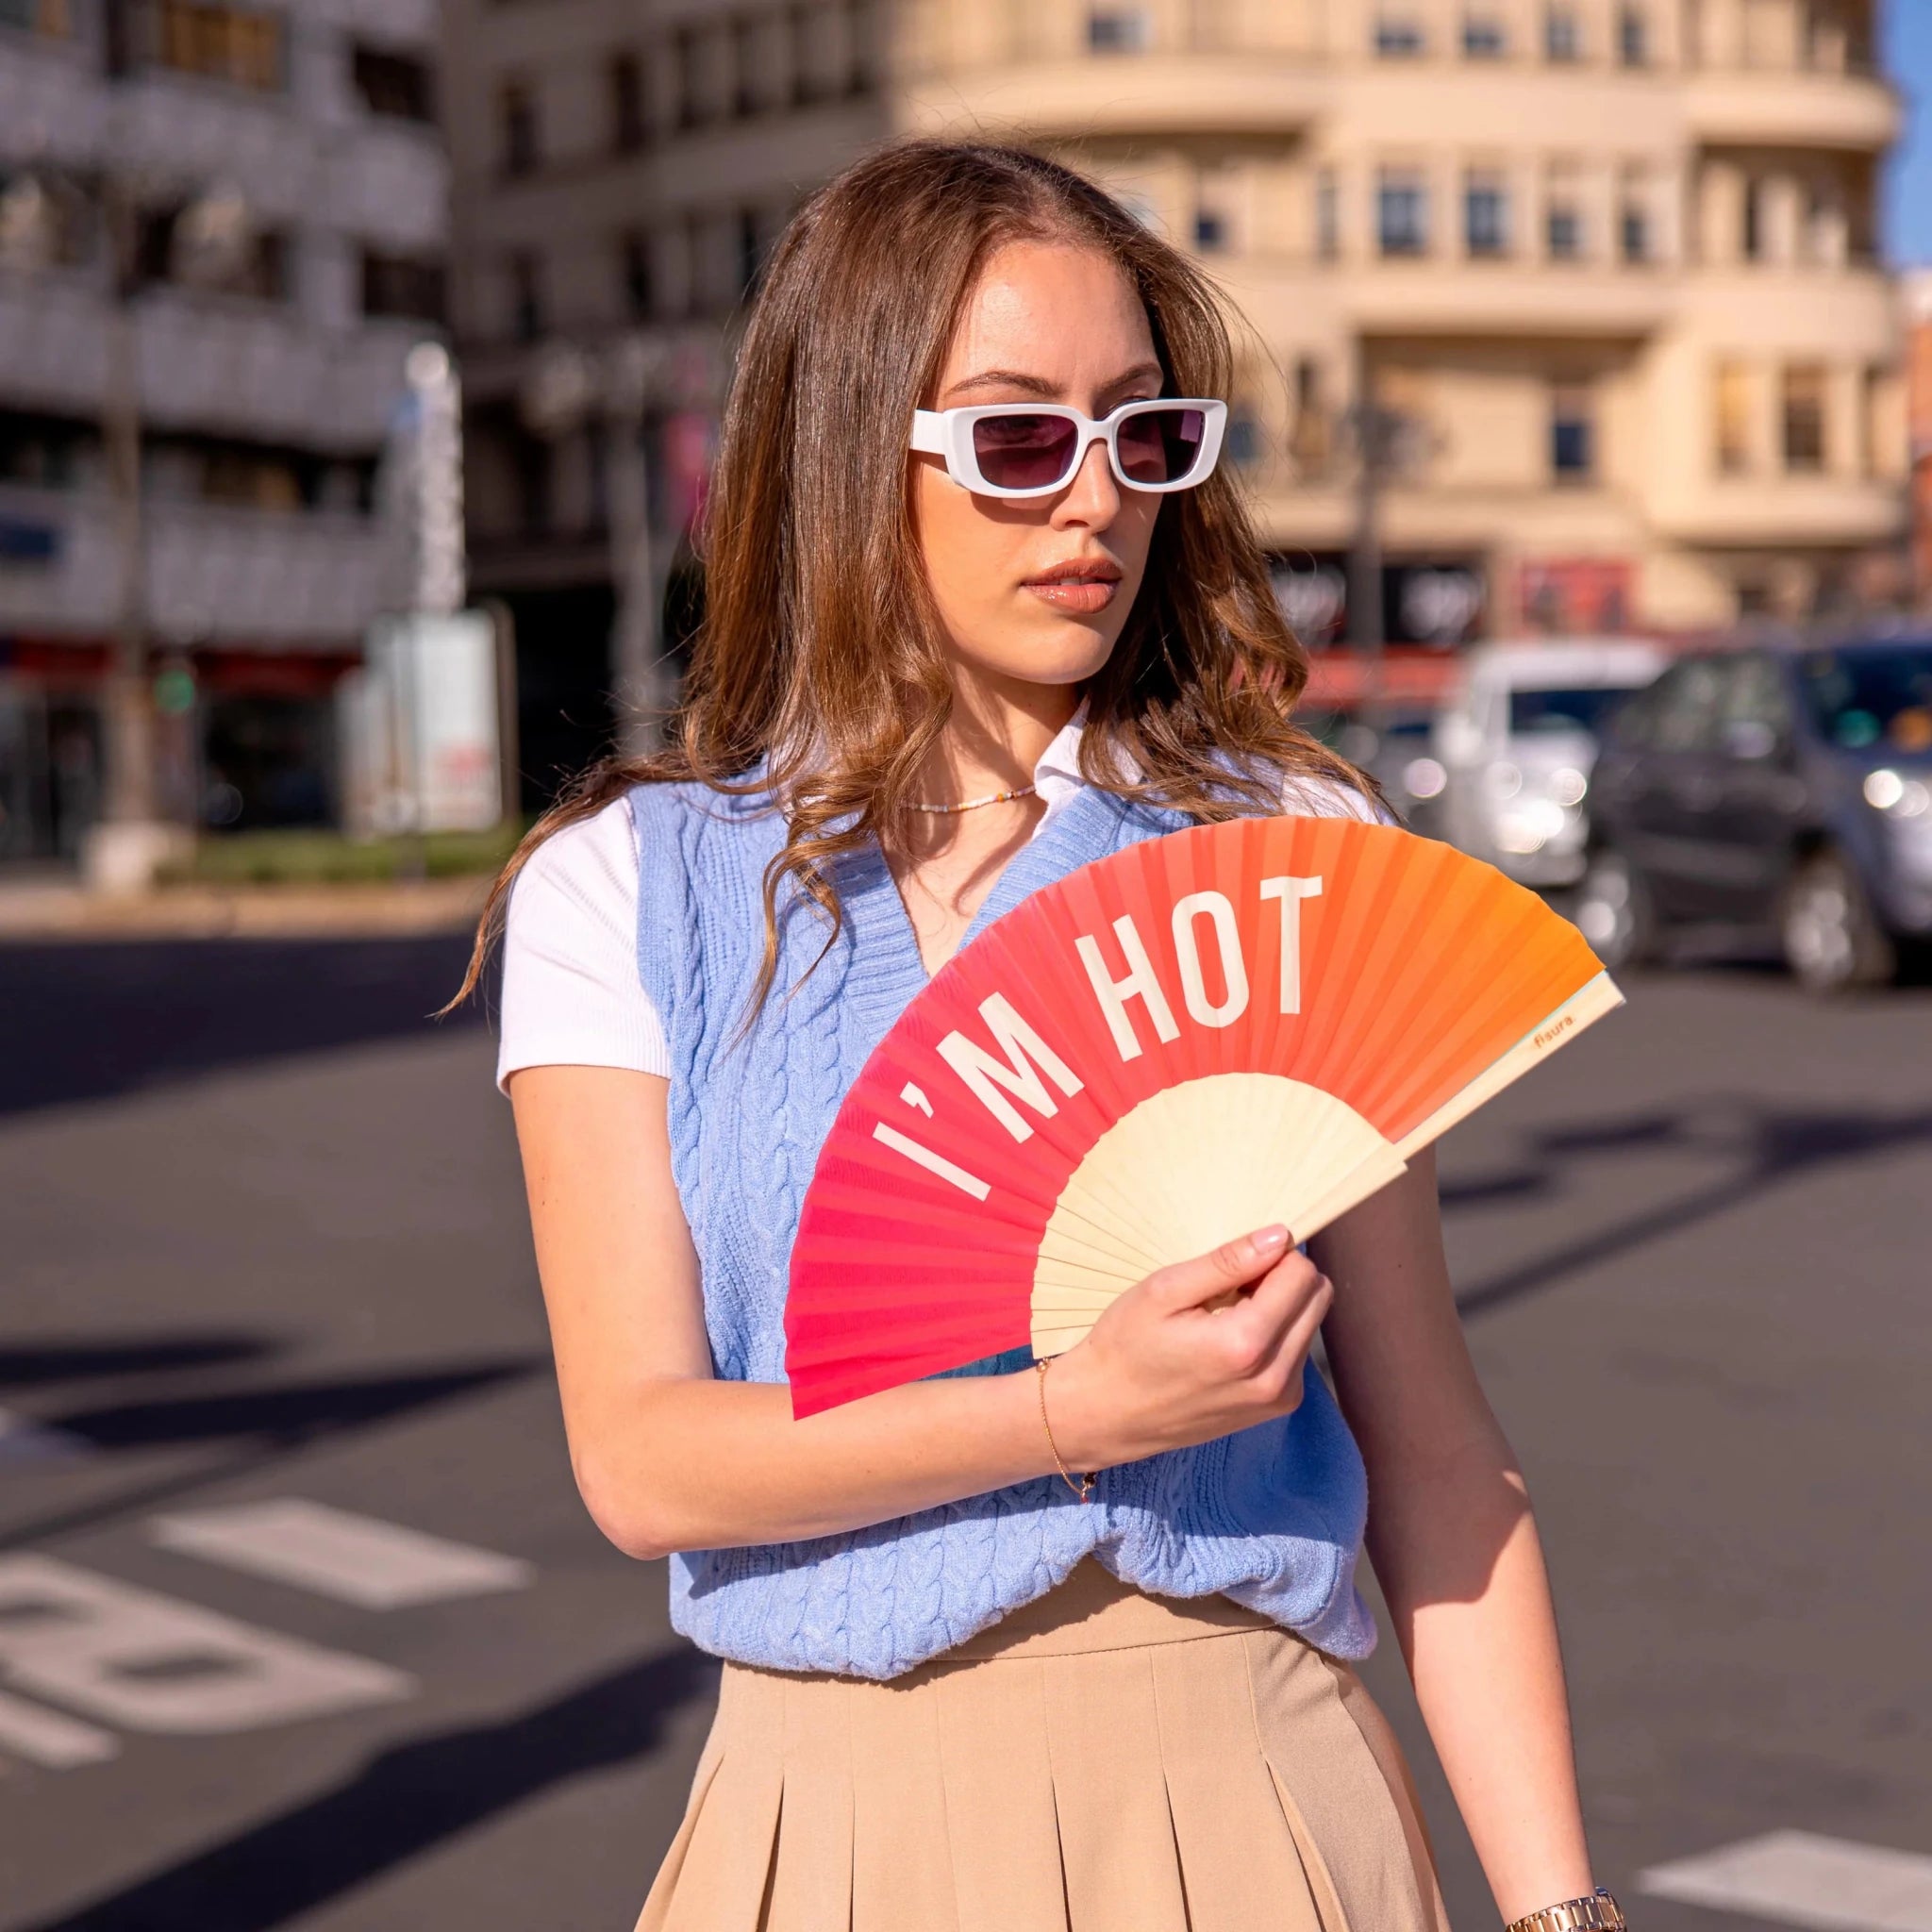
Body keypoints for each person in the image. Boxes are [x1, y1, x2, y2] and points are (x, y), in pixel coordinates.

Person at [468, 140, 1619, 1932]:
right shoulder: (627, 889)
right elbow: (642, 1456)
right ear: (855, 452)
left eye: (1143, 435)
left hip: (1256, 1793)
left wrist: (1562, 1915)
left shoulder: (1286, 850)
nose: (1096, 501)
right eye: (1017, 440)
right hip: (825, 1825)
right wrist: (1075, 1411)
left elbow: (1438, 1452)